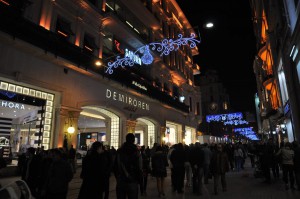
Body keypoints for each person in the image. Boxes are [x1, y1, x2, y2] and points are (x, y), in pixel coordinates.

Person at [114, 133, 142, 199]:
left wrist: (117, 177)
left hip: (121, 180)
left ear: (126, 139)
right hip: (133, 180)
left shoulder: (119, 151)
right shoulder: (137, 152)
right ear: (133, 140)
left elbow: (115, 166)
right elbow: (140, 166)